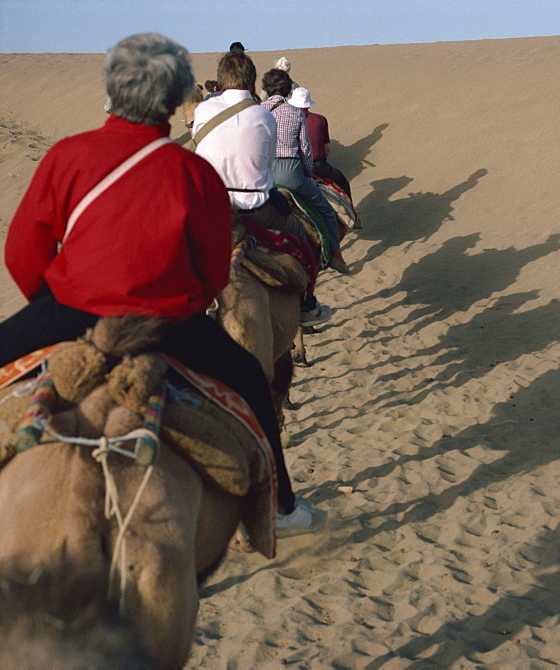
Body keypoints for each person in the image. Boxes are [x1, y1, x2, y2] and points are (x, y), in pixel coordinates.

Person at [0, 32, 321, 537]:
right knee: (250, 382)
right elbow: (214, 270)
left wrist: (56, 306)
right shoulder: (191, 172)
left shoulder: (67, 155)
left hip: (69, 312)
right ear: (174, 101)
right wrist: (183, 307)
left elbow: (22, 252)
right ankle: (281, 507)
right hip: (164, 324)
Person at [193, 49, 332, 326]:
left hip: (211, 210)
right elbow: (266, 164)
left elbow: (199, 142)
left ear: (219, 82)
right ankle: (306, 304)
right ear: (253, 83)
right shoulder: (264, 116)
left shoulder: (203, 110)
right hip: (254, 209)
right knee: (302, 239)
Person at [261, 68, 349, 274]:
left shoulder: (256, 111)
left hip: (263, 176)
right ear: (287, 90)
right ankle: (335, 254)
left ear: (265, 88)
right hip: (291, 173)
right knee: (326, 210)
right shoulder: (294, 113)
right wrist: (308, 174)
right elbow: (306, 151)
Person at [287, 86, 353, 200]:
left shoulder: (286, 121)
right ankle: (352, 211)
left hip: (293, 166)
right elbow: (326, 151)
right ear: (308, 104)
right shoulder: (320, 119)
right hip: (318, 166)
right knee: (343, 183)